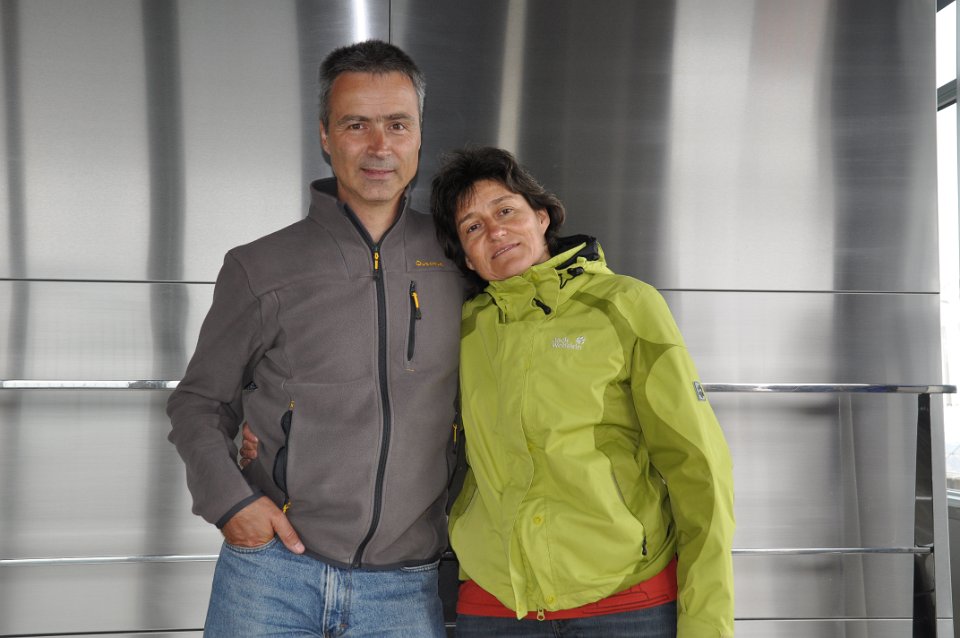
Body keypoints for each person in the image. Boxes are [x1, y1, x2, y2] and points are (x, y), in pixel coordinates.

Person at [166, 40, 464, 637]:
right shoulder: (260, 266)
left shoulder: (463, 258)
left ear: (418, 135)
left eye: (397, 124)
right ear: (326, 136)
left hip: (407, 586)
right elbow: (199, 402)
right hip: (272, 575)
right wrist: (231, 504)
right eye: (356, 125)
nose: (379, 146)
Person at [430, 146, 736, 637]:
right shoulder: (461, 328)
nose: (495, 232)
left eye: (505, 211)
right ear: (466, 256)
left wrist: (706, 623)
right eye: (473, 227)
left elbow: (698, 467)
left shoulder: (625, 304)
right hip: (496, 607)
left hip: (625, 602)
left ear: (542, 216)